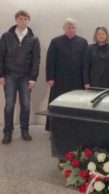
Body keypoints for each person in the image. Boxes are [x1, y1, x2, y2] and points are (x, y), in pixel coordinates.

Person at [0, 10, 40, 144]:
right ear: (16, 20)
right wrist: (1, 75)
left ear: (28, 21)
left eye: (25, 19)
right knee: (9, 105)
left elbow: (36, 59)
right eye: (20, 18)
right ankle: (7, 132)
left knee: (26, 105)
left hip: (25, 77)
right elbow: (1, 56)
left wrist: (33, 78)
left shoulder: (34, 39)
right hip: (10, 75)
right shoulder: (6, 36)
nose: (22, 21)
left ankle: (24, 131)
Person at [45, 18, 88, 131]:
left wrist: (86, 80)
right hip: (59, 79)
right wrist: (50, 77)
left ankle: (75, 128)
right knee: (57, 104)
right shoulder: (55, 41)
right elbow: (50, 61)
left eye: (73, 27)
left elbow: (85, 63)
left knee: (76, 104)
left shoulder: (83, 42)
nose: (71, 29)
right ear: (64, 28)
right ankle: (54, 129)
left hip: (77, 80)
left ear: (76, 29)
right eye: (69, 27)